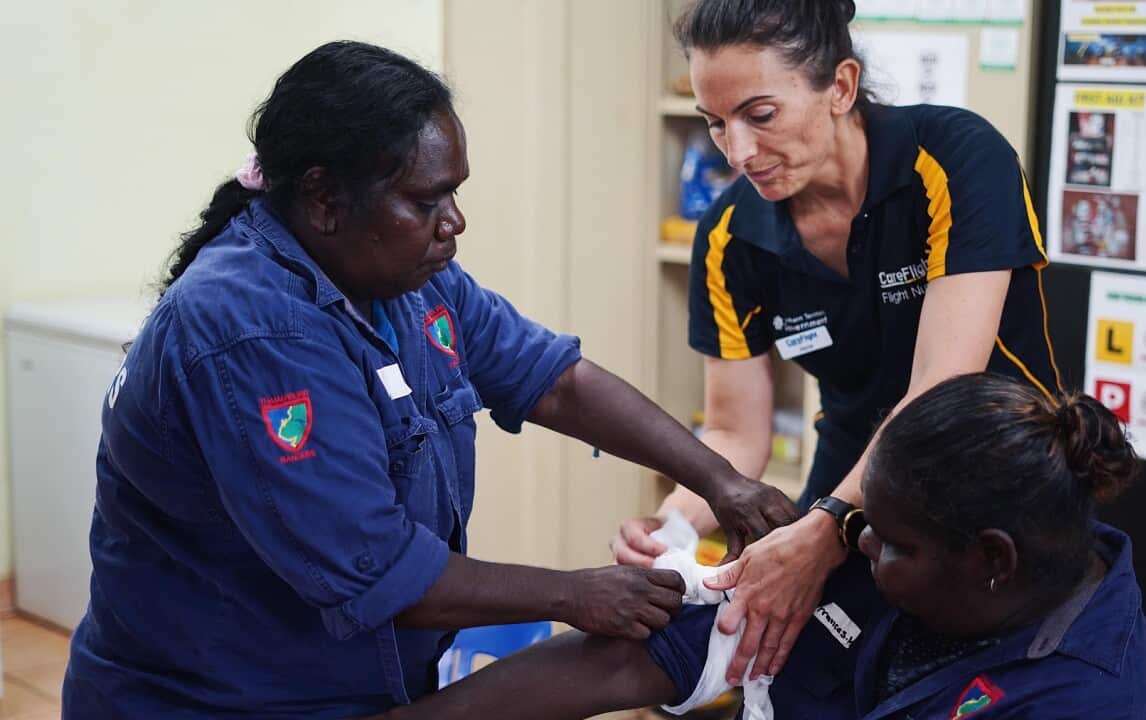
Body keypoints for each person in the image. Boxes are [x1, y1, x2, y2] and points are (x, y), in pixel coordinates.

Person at [61, 41, 798, 719]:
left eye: (454, 193)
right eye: (425, 201)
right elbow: (374, 567)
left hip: (354, 683)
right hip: (209, 699)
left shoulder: (408, 281)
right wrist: (575, 594)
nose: (456, 222)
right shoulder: (252, 329)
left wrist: (718, 481)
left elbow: (557, 381)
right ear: (323, 200)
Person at [611, 0, 1062, 684]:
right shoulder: (730, 237)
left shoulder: (955, 160)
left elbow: (943, 388)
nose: (738, 153)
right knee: (805, 677)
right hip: (852, 476)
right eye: (716, 125)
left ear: (841, 87)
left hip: (998, 479)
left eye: (760, 116)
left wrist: (826, 530)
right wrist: (671, 523)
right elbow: (736, 436)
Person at [373, 373, 1146, 720]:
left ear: (991, 559)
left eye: (889, 541)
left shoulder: (1093, 699)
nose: (853, 542)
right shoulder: (886, 566)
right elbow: (652, 652)